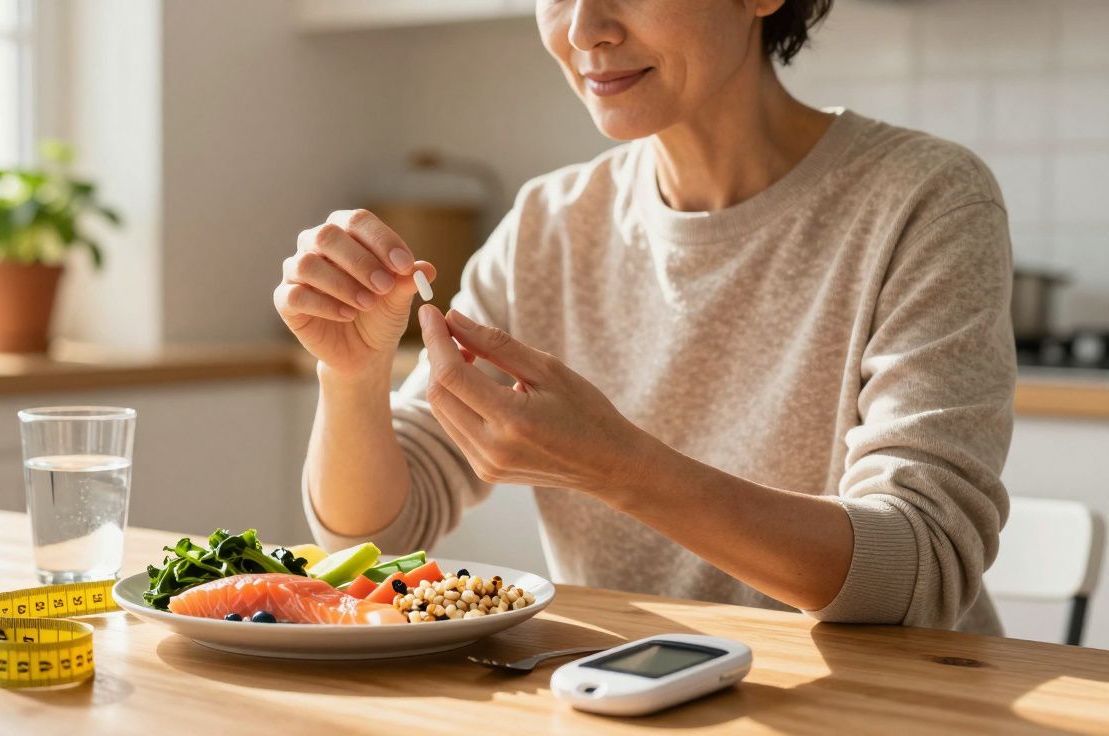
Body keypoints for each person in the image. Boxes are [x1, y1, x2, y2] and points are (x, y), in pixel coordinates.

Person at [273, 0, 1014, 633]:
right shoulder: (549, 224)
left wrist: (619, 468)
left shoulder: (924, 198)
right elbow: (379, 531)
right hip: (630, 693)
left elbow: (920, 567)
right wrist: (352, 378)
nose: (585, 28)